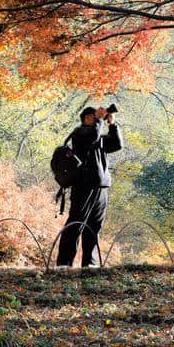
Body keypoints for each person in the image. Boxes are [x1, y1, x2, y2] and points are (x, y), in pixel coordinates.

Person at [56, 105, 123, 268]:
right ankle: (64, 264)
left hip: (101, 188)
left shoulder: (98, 136)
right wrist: (99, 120)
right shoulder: (79, 134)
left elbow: (117, 144)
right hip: (83, 186)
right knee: (76, 224)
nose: (98, 118)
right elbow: (92, 135)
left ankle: (90, 264)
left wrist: (112, 125)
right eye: (94, 116)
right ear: (86, 118)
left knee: (94, 226)